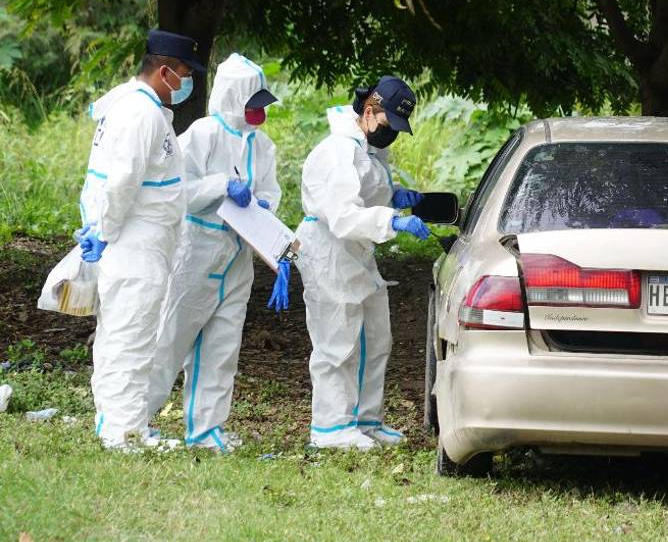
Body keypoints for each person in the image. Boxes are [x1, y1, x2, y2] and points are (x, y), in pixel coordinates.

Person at [145, 53, 282, 452]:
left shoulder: (263, 145)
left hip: (238, 257)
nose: (259, 110)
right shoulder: (202, 135)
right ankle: (135, 418)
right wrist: (222, 185)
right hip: (198, 252)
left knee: (223, 346)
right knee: (171, 339)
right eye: (252, 101)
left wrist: (263, 206)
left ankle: (206, 429)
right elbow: (179, 193)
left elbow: (271, 191)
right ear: (233, 97)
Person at [77, 29, 202, 449]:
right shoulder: (140, 113)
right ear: (165, 71)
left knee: (126, 334)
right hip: (134, 241)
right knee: (130, 336)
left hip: (141, 240)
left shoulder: (139, 107)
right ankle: (124, 431)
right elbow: (121, 181)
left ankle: (119, 424)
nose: (188, 82)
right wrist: (106, 232)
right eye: (185, 73)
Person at [296, 77, 431, 450]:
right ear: (369, 112)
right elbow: (343, 215)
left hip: (357, 253)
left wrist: (394, 197)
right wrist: (392, 221)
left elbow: (368, 191)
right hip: (330, 252)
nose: (392, 136)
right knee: (336, 340)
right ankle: (331, 428)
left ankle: (367, 420)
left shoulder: (367, 149)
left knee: (375, 336)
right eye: (389, 125)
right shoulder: (337, 151)